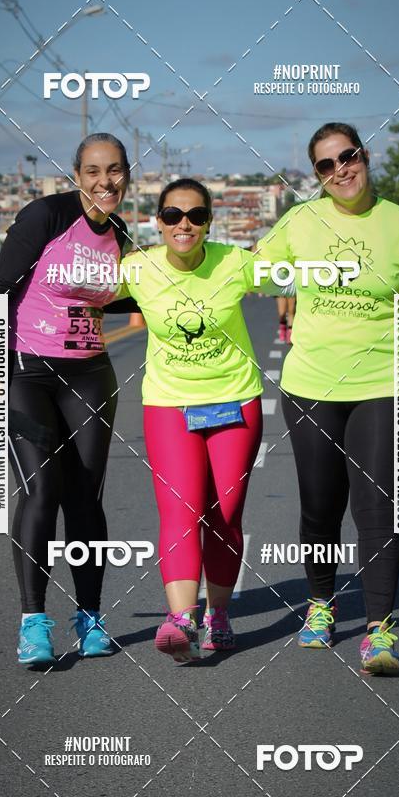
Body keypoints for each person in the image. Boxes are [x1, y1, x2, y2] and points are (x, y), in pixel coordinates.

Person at [257, 122, 399, 674]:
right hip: (311, 385)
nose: (340, 170)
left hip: (384, 382)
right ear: (316, 177)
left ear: (364, 156)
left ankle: (378, 632)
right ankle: (320, 606)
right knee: (320, 506)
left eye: (347, 157)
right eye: (325, 165)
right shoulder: (299, 222)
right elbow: (249, 270)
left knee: (378, 505)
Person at [0, 132, 136, 665]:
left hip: (91, 374)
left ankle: (91, 617)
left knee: (85, 495)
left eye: (115, 170)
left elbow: (126, 296)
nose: (105, 181)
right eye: (94, 170)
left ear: (126, 175)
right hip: (28, 373)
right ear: (77, 174)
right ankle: (33, 622)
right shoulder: (45, 217)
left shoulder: (119, 230)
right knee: (41, 487)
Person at [117, 178, 271, 662]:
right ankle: (181, 619)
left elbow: (305, 276)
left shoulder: (236, 262)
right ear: (157, 220)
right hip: (168, 403)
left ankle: (219, 616)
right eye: (172, 215)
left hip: (234, 400)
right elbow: (68, 288)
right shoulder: (137, 268)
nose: (184, 224)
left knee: (224, 514)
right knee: (180, 513)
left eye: (196, 215)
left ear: (209, 222)